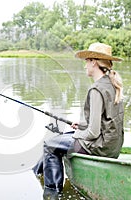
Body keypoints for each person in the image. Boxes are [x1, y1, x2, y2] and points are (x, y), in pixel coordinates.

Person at [33, 42, 124, 199]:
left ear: (94, 62)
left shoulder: (96, 89)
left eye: (86, 61)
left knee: (49, 145)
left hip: (99, 147)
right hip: (113, 146)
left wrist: (77, 134)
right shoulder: (112, 83)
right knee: (59, 140)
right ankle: (37, 172)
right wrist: (81, 126)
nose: (85, 66)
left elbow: (94, 132)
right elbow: (105, 121)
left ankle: (52, 192)